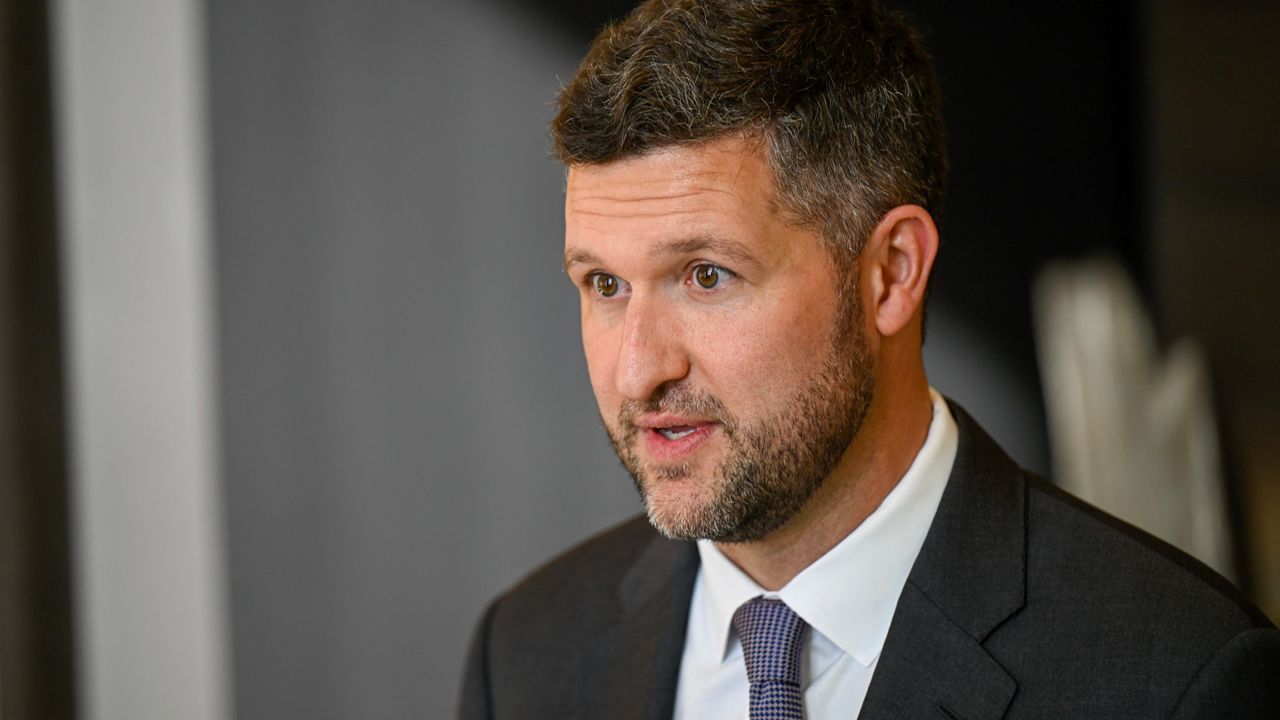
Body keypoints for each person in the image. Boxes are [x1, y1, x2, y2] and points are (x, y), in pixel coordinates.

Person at [459, 0, 1280, 717]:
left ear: (891, 273)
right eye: (603, 283)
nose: (637, 372)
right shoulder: (527, 656)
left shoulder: (1178, 681)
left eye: (706, 276)